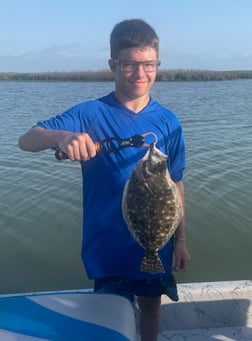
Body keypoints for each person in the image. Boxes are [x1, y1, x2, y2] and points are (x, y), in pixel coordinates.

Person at [19, 18, 191, 341]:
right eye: (129, 64)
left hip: (158, 241)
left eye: (148, 64)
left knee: (152, 306)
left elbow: (176, 185)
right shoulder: (90, 114)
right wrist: (61, 137)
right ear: (112, 64)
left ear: (158, 64)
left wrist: (180, 241)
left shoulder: (169, 122)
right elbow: (27, 139)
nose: (140, 73)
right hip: (107, 249)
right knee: (112, 314)